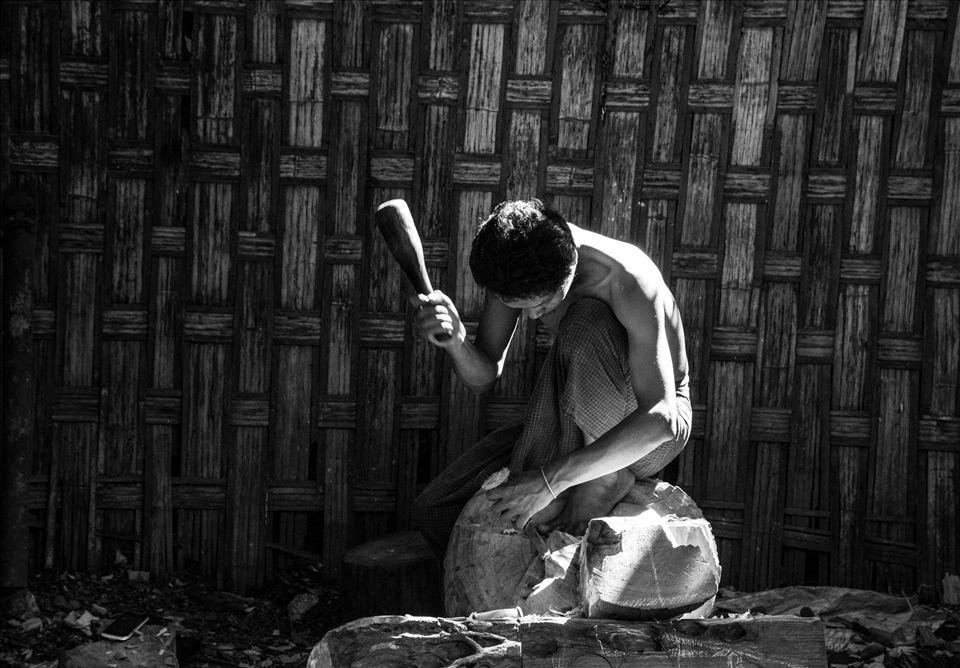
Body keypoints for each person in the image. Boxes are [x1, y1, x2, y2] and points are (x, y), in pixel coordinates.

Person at [410, 199, 691, 559]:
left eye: (542, 305)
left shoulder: (627, 278)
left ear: (571, 267)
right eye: (519, 307)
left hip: (646, 429)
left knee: (584, 322)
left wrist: (550, 480)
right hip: (572, 408)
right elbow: (482, 378)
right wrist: (457, 342)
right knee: (438, 508)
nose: (531, 318)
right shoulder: (517, 262)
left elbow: (663, 419)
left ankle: (604, 478)